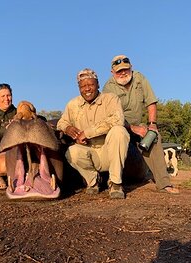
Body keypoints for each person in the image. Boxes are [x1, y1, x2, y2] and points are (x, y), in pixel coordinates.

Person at [102, 55, 179, 194]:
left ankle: (163, 183)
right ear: (112, 72)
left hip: (138, 124)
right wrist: (132, 128)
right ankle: (114, 183)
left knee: (154, 136)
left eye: (126, 69)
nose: (123, 73)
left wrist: (152, 125)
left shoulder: (140, 78)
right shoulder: (108, 87)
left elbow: (151, 102)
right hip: (118, 126)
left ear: (131, 68)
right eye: (119, 71)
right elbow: (111, 117)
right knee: (117, 134)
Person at [57, 68, 130, 199]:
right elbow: (61, 122)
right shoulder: (72, 104)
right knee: (71, 152)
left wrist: (87, 133)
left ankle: (115, 183)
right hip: (90, 153)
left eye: (91, 84)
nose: (87, 89)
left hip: (110, 152)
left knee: (119, 131)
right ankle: (93, 181)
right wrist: (67, 128)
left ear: (98, 84)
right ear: (79, 88)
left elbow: (118, 119)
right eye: (83, 86)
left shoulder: (110, 99)